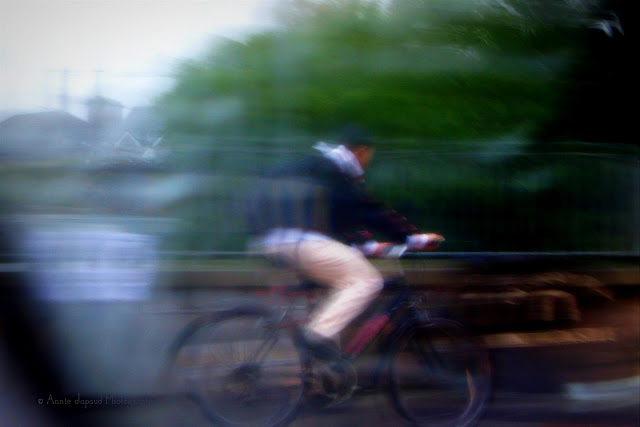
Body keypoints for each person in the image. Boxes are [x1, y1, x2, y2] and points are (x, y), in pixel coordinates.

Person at [246, 125, 444, 360]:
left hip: (274, 240)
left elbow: (337, 217)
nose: (367, 163)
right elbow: (365, 209)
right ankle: (315, 338)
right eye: (369, 156)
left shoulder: (318, 167)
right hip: (299, 241)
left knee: (332, 298)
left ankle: (324, 382)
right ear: (362, 151)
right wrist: (413, 237)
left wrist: (367, 246)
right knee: (366, 281)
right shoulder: (333, 169)